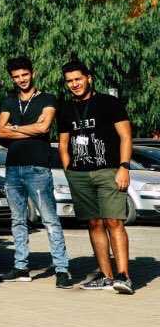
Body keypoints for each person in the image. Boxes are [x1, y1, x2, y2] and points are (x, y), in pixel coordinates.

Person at [57, 60, 134, 294]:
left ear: (88, 78)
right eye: (70, 81)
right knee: (94, 223)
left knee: (114, 221)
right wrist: (69, 171)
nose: (74, 84)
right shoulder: (65, 108)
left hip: (108, 171)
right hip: (79, 174)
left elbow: (125, 137)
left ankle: (124, 276)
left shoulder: (109, 103)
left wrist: (124, 166)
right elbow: (63, 143)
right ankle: (106, 276)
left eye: (78, 79)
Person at [0, 56, 71, 288]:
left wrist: (15, 128)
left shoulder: (47, 99)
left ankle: (62, 269)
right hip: (12, 167)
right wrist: (29, 129)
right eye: (16, 77)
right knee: (18, 220)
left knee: (49, 219)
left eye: (24, 75)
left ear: (32, 73)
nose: (21, 80)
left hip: (37, 167)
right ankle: (21, 267)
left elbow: (44, 127)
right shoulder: (9, 101)